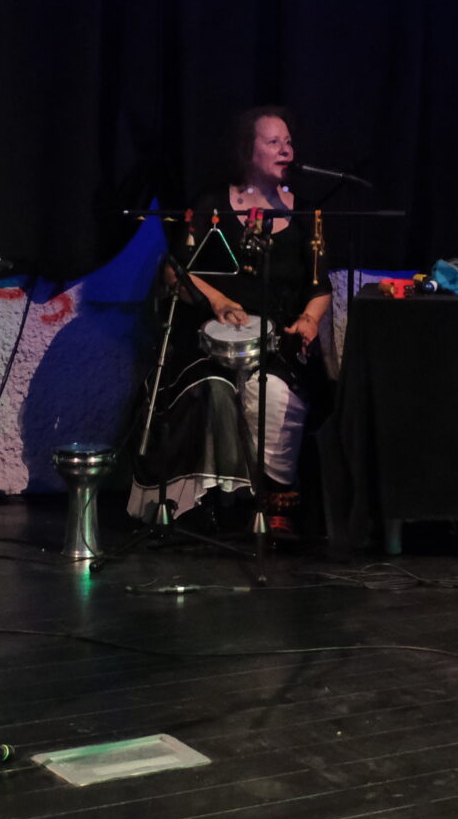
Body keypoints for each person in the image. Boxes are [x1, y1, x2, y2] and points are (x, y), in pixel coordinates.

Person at [130, 107, 331, 542]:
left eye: (288, 142)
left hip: (275, 343)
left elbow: (320, 287)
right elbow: (176, 271)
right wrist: (218, 301)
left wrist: (309, 319)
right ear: (246, 151)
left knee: (272, 395)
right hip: (209, 341)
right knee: (213, 392)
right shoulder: (212, 205)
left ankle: (273, 503)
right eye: (273, 142)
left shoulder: (305, 214)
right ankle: (209, 504)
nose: (286, 150)